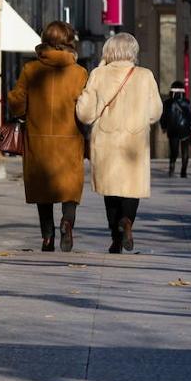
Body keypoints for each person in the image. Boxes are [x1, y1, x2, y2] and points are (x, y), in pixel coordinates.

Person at [76, 34, 163, 253]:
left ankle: (116, 238)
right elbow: (155, 112)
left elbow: (85, 114)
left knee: (111, 192)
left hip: (106, 142)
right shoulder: (145, 76)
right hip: (135, 143)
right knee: (131, 190)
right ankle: (127, 222)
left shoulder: (98, 74)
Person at [7, 21, 88, 252]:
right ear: (69, 42)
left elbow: (18, 103)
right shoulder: (79, 72)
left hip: (38, 138)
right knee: (70, 188)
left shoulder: (31, 70)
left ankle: (47, 236)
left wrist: (21, 108)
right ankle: (67, 221)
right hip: (69, 139)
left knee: (43, 189)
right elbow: (84, 108)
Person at [163, 81, 191, 178]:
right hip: (185, 129)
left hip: (172, 129)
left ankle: (172, 167)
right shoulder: (187, 102)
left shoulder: (167, 103)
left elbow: (164, 116)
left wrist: (164, 126)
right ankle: (183, 171)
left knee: (173, 150)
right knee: (185, 151)